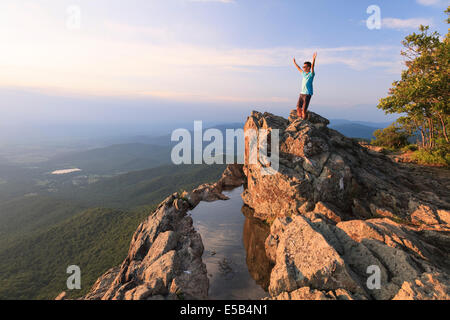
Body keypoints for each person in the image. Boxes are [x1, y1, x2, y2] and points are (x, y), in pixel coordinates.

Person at [293, 52, 317, 120]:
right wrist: (294, 62)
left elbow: (312, 67)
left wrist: (314, 59)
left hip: (307, 94)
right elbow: (298, 68)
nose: (303, 68)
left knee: (304, 110)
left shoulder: (311, 74)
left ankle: (304, 121)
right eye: (303, 66)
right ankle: (300, 119)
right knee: (298, 107)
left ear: (308, 67)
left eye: (304, 67)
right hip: (302, 93)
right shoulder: (304, 74)